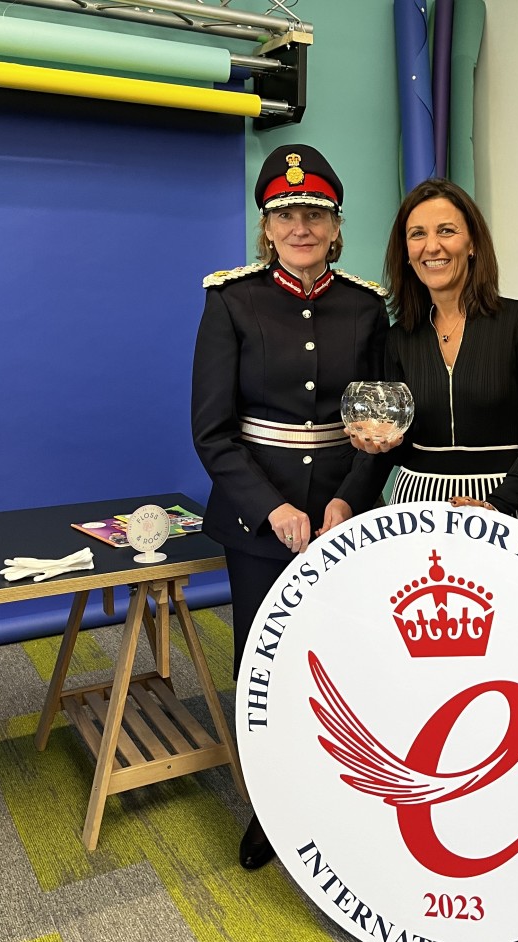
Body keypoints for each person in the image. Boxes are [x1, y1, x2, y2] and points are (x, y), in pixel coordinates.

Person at [192, 145, 388, 871]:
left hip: (342, 512)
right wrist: (272, 509)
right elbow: (211, 431)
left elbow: (376, 422)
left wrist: (346, 497)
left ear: (336, 228)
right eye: (285, 214)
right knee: (264, 667)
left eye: (315, 214)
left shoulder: (366, 307)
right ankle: (270, 810)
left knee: (339, 661)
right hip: (257, 517)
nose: (300, 225)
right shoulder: (231, 300)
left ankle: (343, 796)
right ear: (266, 228)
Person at [340, 178, 518, 519]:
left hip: (502, 504)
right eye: (418, 234)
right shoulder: (400, 338)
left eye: (446, 231)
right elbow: (396, 440)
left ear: (472, 243)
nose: (432, 246)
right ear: (407, 252)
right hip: (415, 505)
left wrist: (499, 503)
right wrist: (377, 448)